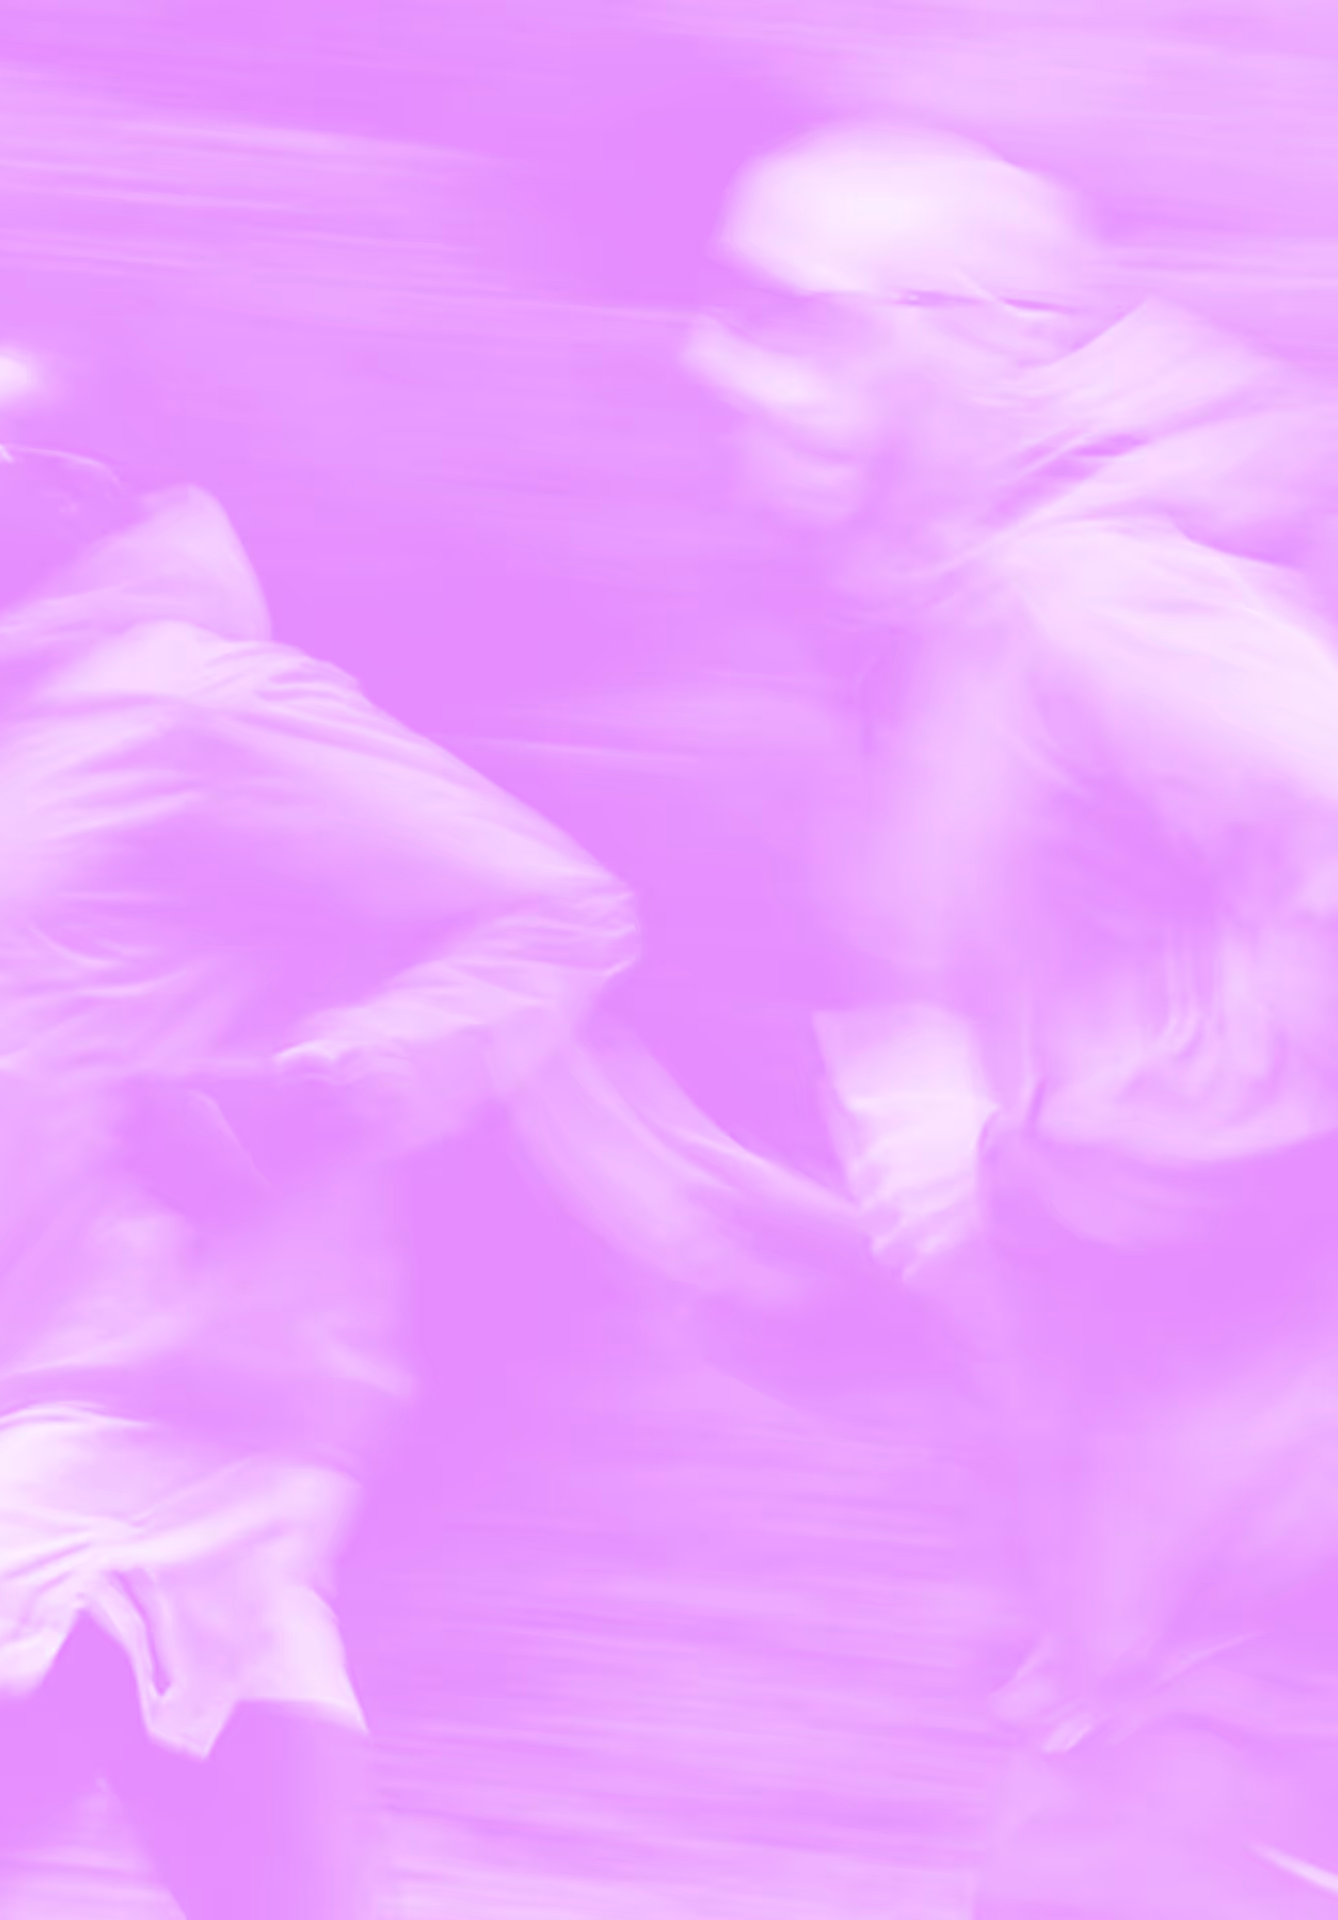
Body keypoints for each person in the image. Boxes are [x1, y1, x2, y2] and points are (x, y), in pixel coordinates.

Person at [0, 345, 640, 1920]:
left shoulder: (200, 707)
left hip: (136, 1432)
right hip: (121, 1432)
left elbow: (553, 911)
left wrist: (323, 1091)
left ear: (64, 499)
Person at [678, 120, 1338, 1916]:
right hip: (1151, 1620)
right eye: (718, 316)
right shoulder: (947, 664)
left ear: (985, 338)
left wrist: (1027, 1171)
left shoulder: (1098, 603)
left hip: (1268, 1623)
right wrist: (852, 1270)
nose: (716, 363)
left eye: (790, 315)